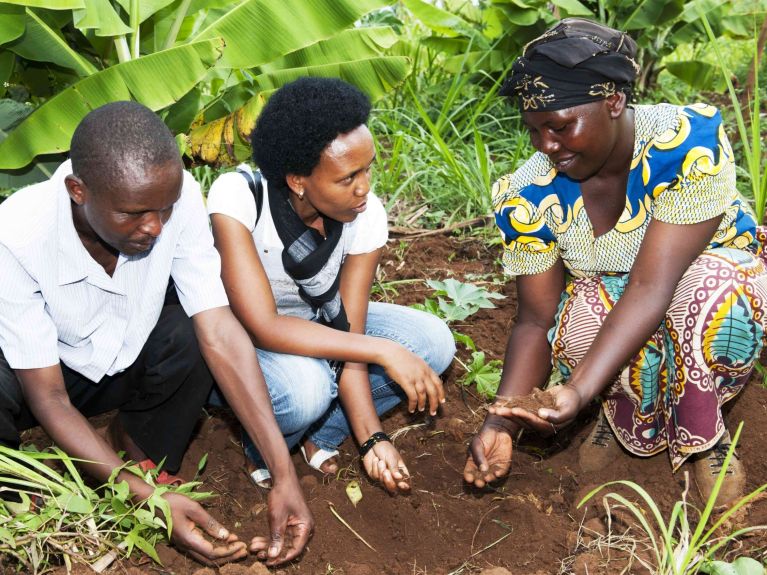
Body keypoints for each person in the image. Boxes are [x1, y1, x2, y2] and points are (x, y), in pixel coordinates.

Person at [463, 18, 767, 506]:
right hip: (628, 305)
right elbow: (535, 319)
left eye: (561, 127)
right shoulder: (528, 195)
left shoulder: (684, 143)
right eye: (535, 131)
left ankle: (704, 436)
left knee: (707, 287)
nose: (547, 146)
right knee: (581, 305)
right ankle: (625, 411)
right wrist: (500, 422)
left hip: (706, 284)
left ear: (614, 102)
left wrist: (577, 390)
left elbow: (653, 286)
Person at [0, 102, 312, 566]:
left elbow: (220, 331)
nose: (154, 227)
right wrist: (147, 501)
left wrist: (284, 473)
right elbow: (48, 398)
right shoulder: (18, 233)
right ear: (78, 190)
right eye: (133, 213)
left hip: (122, 361)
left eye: (164, 209)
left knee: (192, 332)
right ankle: (22, 495)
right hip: (40, 380)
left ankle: (140, 451)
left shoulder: (174, 199)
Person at [206, 77, 455, 493]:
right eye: (347, 178)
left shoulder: (365, 214)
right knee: (307, 390)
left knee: (432, 341)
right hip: (239, 340)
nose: (365, 187)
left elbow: (348, 333)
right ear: (298, 181)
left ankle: (318, 437)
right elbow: (263, 326)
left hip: (315, 325)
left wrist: (372, 439)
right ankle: (265, 445)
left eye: (368, 168)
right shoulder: (239, 198)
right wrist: (383, 349)